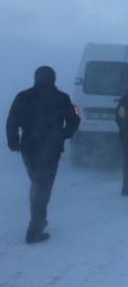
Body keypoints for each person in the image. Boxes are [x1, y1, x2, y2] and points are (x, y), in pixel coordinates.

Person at [5, 65, 81, 244]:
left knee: (37, 183)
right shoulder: (62, 98)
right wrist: (64, 134)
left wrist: (13, 141)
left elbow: (12, 120)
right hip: (51, 147)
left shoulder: (23, 96)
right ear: (53, 79)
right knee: (42, 186)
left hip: (28, 148)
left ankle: (39, 219)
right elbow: (74, 119)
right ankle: (35, 229)